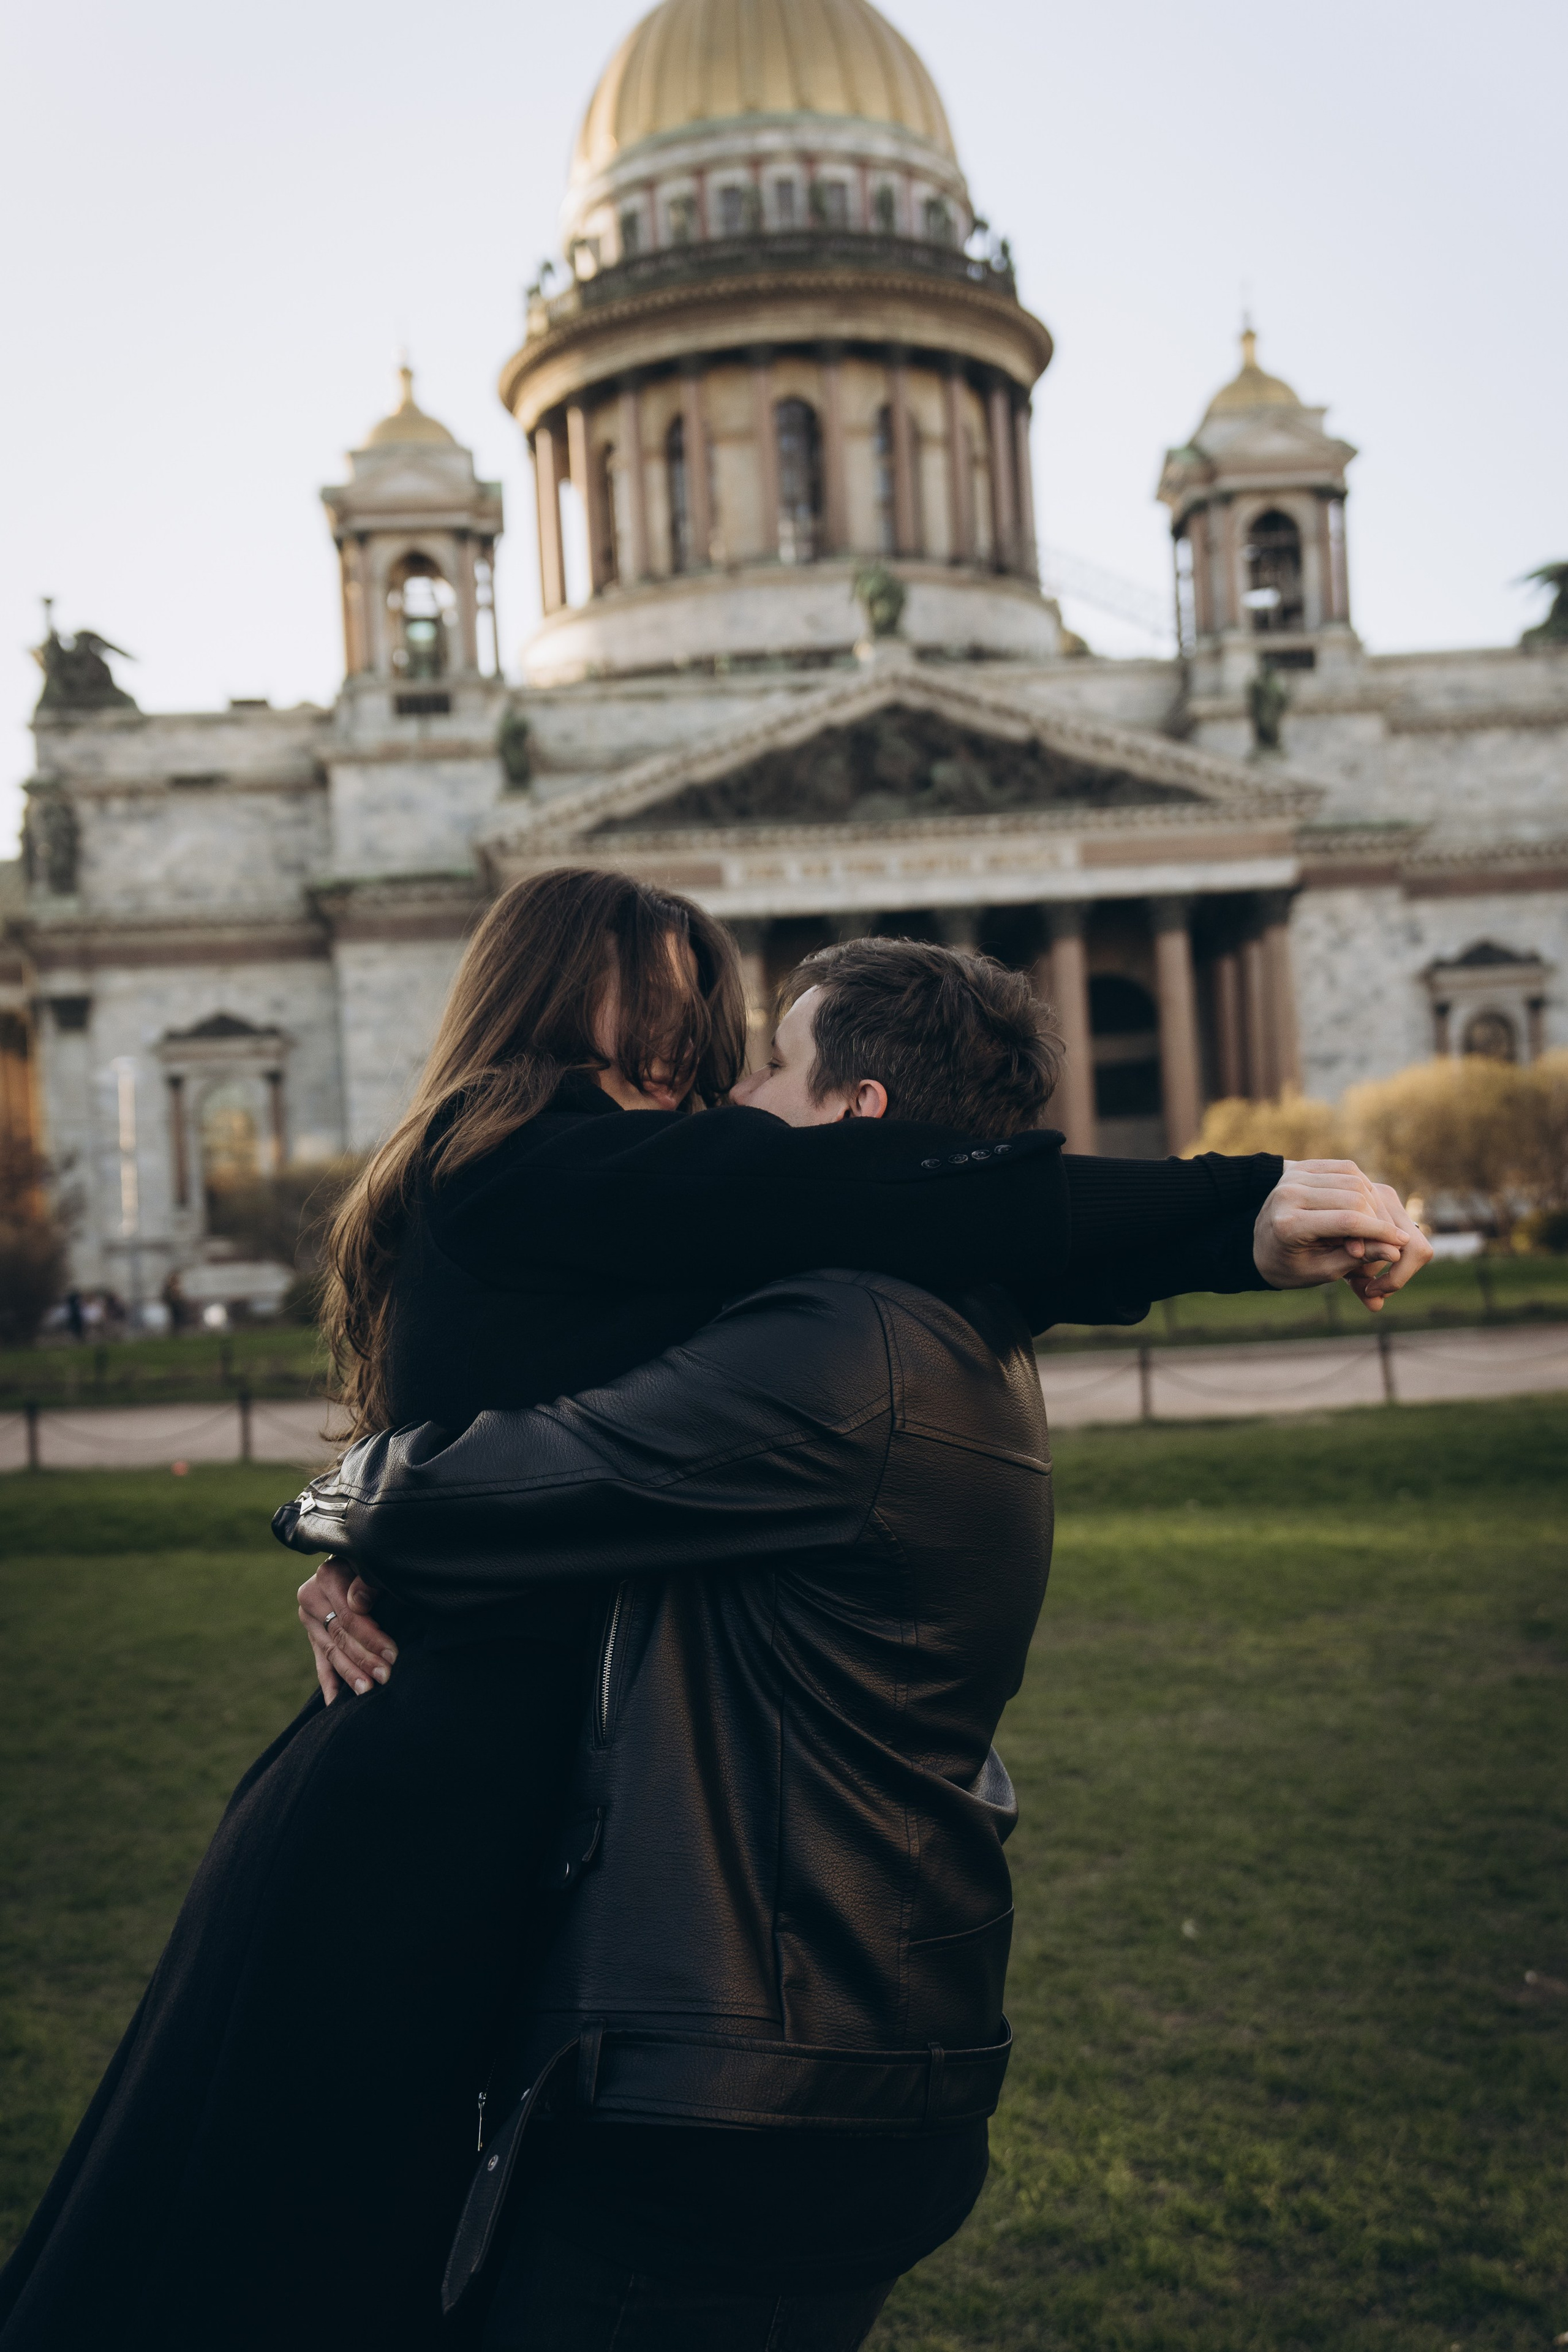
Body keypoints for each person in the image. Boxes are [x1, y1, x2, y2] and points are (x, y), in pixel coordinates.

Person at [0, 872, 1422, 2352]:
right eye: (659, 989)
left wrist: (358, 1522)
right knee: (269, 2258)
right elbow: (855, 1200)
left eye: (719, 1004)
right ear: (547, 994)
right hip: (423, 1809)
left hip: (523, 1811)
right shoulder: (525, 1152)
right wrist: (1230, 1209)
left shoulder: (644, 1202)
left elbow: (898, 1241)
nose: (698, 1033)